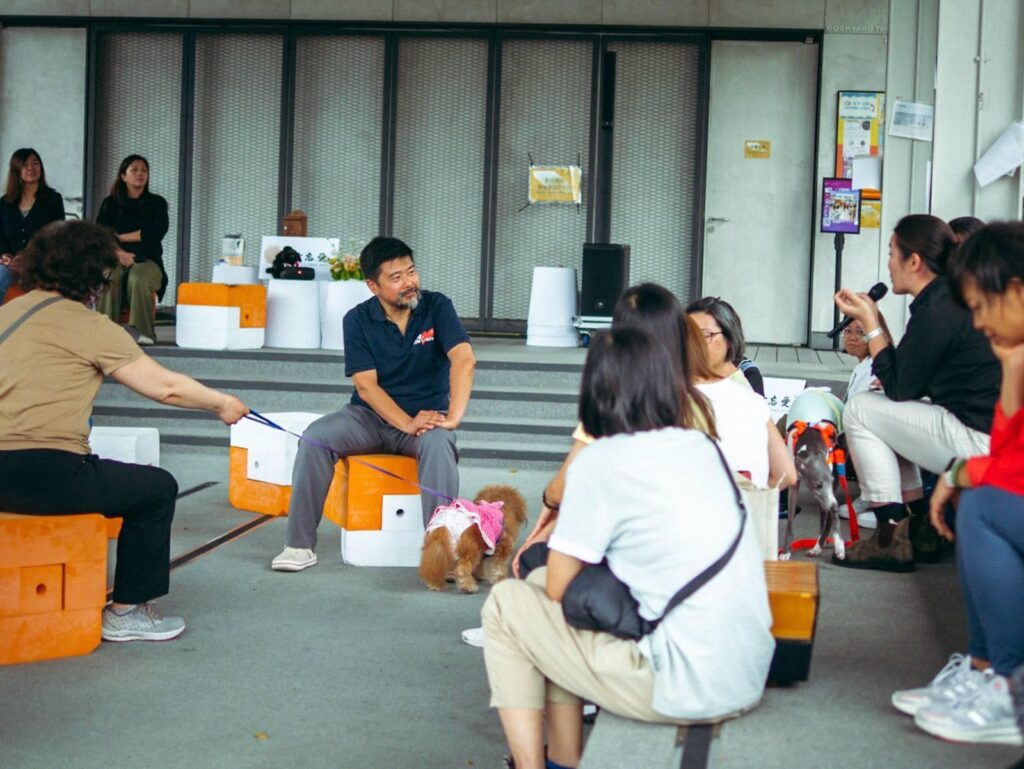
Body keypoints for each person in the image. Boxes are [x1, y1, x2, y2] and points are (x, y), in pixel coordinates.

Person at [482, 326, 774, 769]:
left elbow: (561, 585)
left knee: (507, 604)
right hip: (746, 670)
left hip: (684, 685)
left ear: (595, 388)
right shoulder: (700, 446)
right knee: (541, 592)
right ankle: (565, 758)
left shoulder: (602, 461)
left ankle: (530, 765)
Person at [0, 220, 248, 642]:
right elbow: (165, 388)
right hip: (46, 475)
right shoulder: (89, 326)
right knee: (155, 489)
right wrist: (223, 403)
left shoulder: (7, 312)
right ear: (92, 275)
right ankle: (127, 610)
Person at [888, 222, 1024, 748]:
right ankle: (984, 669)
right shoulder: (1012, 354)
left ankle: (1007, 685)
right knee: (980, 500)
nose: (978, 320)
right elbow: (1011, 453)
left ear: (1015, 292)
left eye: (983, 305)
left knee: (985, 507)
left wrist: (963, 474)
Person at [272, 236, 475, 572]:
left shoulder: (437, 306)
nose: (409, 283)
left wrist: (452, 418)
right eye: (396, 278)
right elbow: (366, 387)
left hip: (424, 421)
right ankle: (298, 545)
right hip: (368, 418)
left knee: (440, 444)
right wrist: (405, 423)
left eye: (411, 272)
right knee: (315, 437)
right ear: (372, 285)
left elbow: (464, 359)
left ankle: (444, 553)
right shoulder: (357, 320)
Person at [831, 214, 1001, 572]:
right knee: (884, 409)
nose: (888, 265)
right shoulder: (949, 298)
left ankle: (889, 535)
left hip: (977, 441)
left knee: (861, 409)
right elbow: (906, 381)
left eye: (892, 253)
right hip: (985, 431)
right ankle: (919, 527)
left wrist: (872, 323)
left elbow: (898, 386)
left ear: (914, 261)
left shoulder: (938, 309)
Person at [95, 154, 169, 345]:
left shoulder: (156, 203)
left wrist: (120, 237)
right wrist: (119, 253)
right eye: (134, 170)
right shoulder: (110, 203)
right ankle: (106, 334)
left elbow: (155, 232)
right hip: (114, 258)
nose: (140, 174)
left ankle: (142, 334)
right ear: (123, 176)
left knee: (138, 277)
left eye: (144, 170)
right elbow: (101, 235)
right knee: (110, 276)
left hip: (148, 260)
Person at [0, 148, 65, 305]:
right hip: (12, 262)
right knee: (1, 275)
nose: (31, 168)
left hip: (42, 261)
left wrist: (30, 257)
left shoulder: (53, 199)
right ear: (16, 170)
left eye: (35, 163)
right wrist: (5, 255)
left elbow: (58, 235)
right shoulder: (5, 202)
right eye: (25, 164)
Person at [686, 296, 764, 394]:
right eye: (687, 335)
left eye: (705, 335)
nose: (692, 343)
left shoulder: (742, 393)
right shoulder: (680, 378)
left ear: (729, 339)